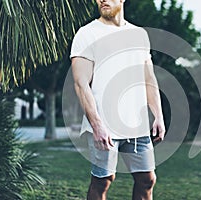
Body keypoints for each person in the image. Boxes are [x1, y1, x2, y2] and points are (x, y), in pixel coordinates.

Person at [70, 0, 165, 199]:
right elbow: (80, 84)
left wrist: (158, 115)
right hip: (104, 123)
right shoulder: (87, 34)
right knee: (102, 181)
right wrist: (97, 125)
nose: (102, 0)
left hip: (136, 125)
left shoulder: (139, 35)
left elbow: (148, 78)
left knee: (147, 179)